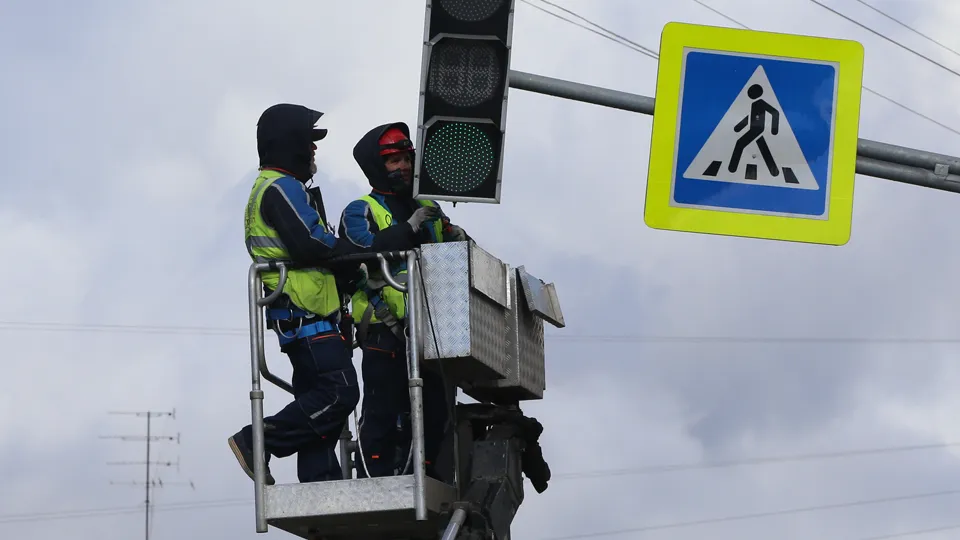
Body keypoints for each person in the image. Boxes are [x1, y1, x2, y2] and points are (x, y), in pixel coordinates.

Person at [228, 103, 371, 485]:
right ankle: (259, 439)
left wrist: (349, 275)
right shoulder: (280, 187)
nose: (314, 149)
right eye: (310, 141)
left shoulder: (279, 188)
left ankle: (322, 483)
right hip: (306, 317)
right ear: (290, 143)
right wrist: (358, 255)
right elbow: (310, 244)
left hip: (306, 317)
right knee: (340, 393)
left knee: (319, 406)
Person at [338, 122, 468, 480]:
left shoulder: (427, 206)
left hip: (432, 329)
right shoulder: (359, 210)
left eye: (407, 159)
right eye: (394, 160)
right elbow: (360, 250)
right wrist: (409, 227)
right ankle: (372, 481)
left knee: (437, 410)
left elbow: (454, 253)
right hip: (384, 329)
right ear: (377, 167)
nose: (404, 167)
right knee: (382, 409)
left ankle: (425, 475)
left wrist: (457, 235)